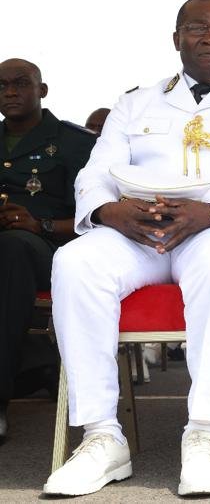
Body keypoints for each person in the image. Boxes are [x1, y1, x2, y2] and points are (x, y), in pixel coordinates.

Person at [43, 0, 210, 497]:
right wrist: (108, 212)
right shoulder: (135, 102)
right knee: (74, 260)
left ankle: (203, 431)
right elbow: (95, 174)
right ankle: (102, 437)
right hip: (140, 234)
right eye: (198, 28)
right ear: (176, 38)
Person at [0, 58, 95, 444]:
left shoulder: (76, 143)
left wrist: (38, 225)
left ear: (42, 90)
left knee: (14, 249)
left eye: (20, 83)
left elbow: (99, 216)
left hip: (51, 252)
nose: (10, 92)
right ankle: (36, 362)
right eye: (2, 85)